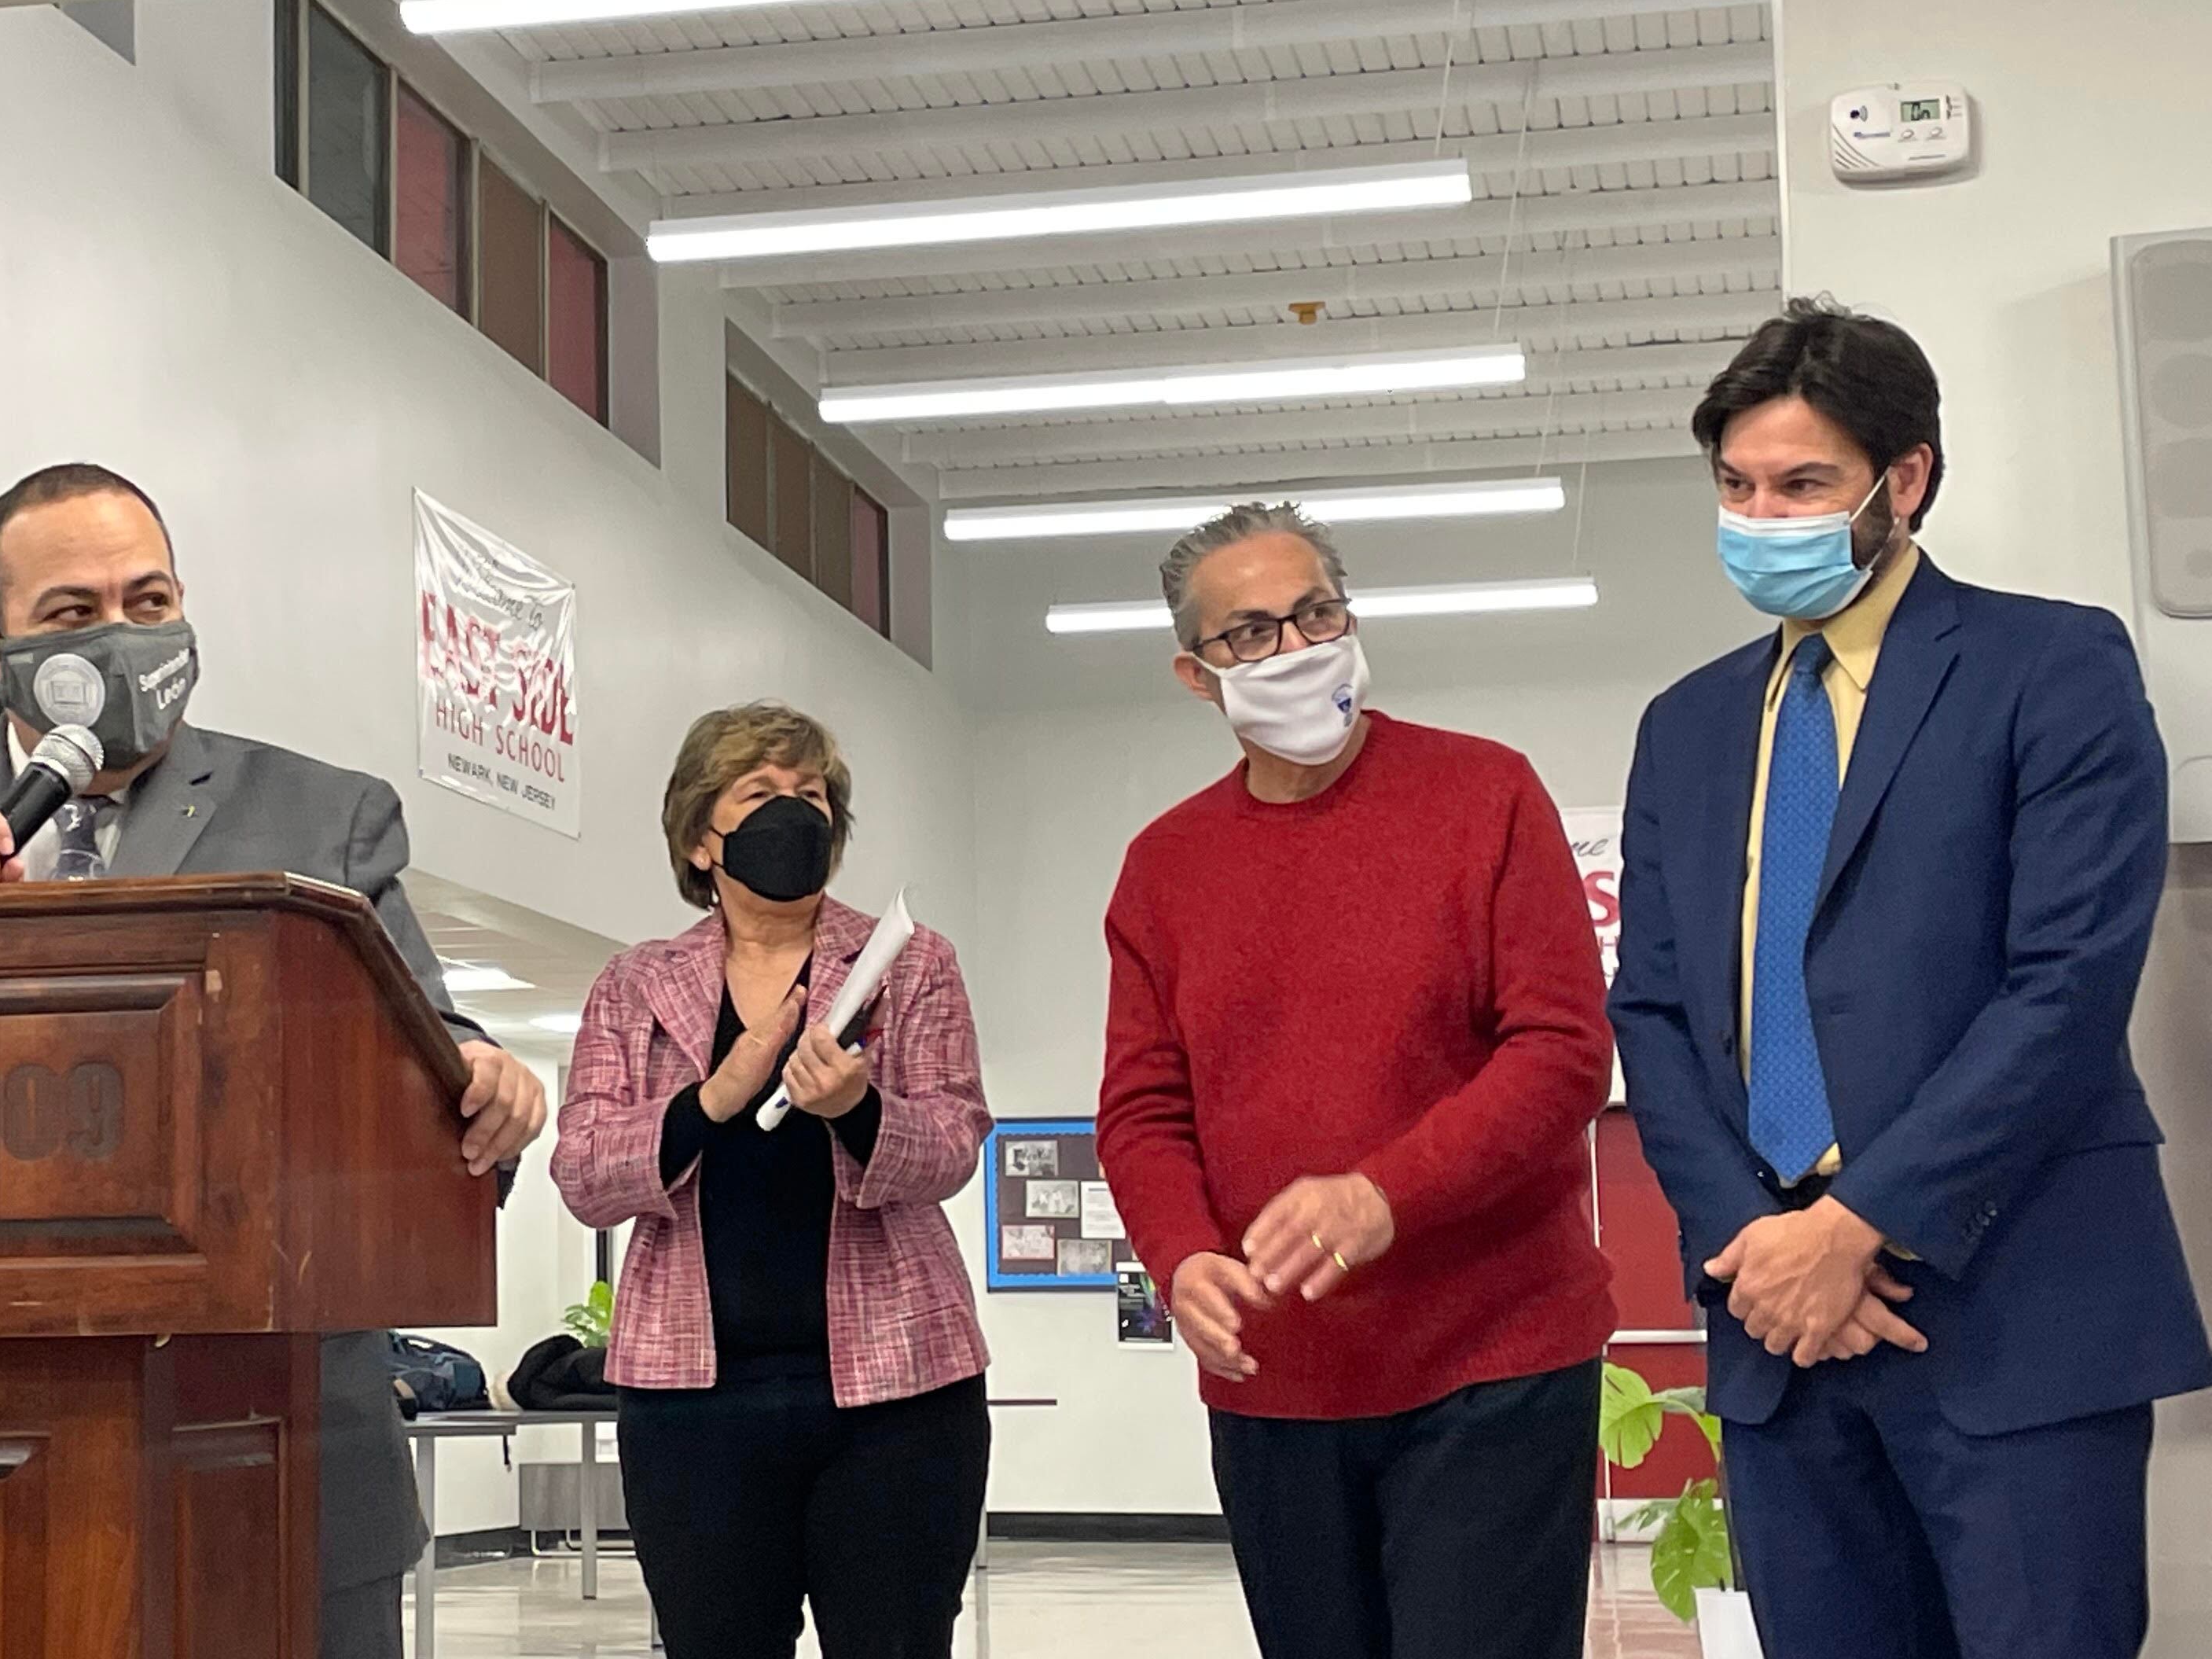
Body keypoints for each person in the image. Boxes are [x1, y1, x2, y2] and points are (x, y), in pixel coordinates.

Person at [0, 462, 549, 1659]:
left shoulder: (325, 816)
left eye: (151, 601)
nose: (127, 638)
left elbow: (429, 1060)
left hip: (282, 1464)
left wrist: (484, 1075)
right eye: (76, 614)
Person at [1609, 301, 2211, 1658]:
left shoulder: (2048, 665)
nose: (1760, 515)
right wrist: (1757, 1248)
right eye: (1736, 485)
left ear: (1906, 478)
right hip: (1775, 1329)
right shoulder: (1689, 724)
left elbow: (2063, 984)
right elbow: (1651, 1010)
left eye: (1802, 483)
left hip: (2011, 1307)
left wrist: (1856, 1222)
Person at [1095, 503, 1615, 1659]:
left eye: (1315, 613)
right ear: (1196, 673)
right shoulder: (1165, 868)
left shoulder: (1486, 794)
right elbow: (1141, 1106)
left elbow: (1564, 1050)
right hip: (1277, 1377)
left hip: (1495, 1358)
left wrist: (1384, 1193)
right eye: (1251, 634)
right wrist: (1182, 1256)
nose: (1295, 648)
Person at [551, 703, 990, 1659]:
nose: (794, 812)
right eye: (759, 793)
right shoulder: (635, 984)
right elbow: (583, 1173)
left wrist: (859, 1108)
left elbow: (956, 1143)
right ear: (701, 835)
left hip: (898, 1398)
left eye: (812, 794)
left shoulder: (910, 964)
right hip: (691, 1405)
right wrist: (709, 1103)